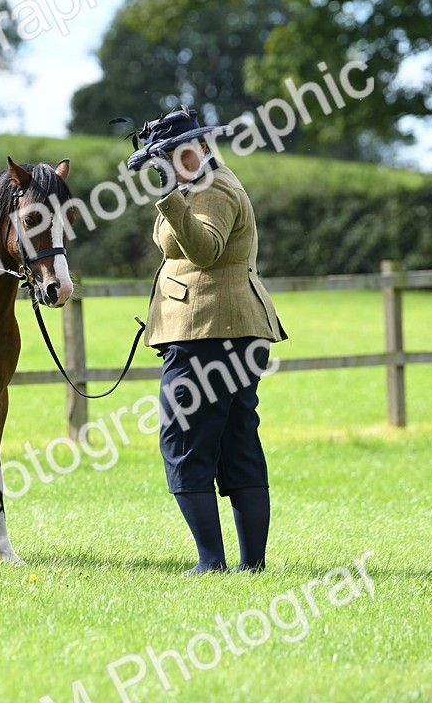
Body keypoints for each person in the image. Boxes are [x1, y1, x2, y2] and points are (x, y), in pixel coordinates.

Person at [128, 105, 288, 575]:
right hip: (225, 330)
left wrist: (169, 196)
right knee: (237, 443)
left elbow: (206, 249)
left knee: (185, 442)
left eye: (180, 152)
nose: (175, 163)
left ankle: (211, 563)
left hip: (209, 334)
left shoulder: (211, 188)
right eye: (165, 157)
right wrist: (173, 192)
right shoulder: (196, 184)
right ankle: (248, 565)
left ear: (201, 145)